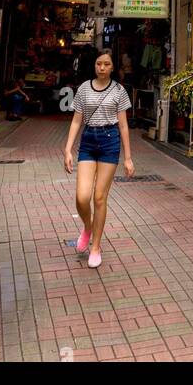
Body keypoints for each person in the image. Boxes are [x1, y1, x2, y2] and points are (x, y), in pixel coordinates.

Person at [63, 50, 134, 269]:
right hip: (89, 141)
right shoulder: (84, 88)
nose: (102, 67)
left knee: (99, 197)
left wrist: (128, 158)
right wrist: (67, 150)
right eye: (98, 64)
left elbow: (123, 125)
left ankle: (96, 246)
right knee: (82, 197)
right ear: (94, 66)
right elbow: (76, 121)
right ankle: (87, 227)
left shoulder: (119, 91)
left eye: (106, 64)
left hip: (109, 142)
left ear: (113, 68)